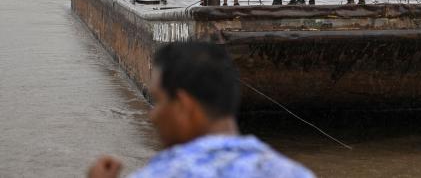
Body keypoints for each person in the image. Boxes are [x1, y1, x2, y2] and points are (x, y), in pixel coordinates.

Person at [87, 42, 315, 178]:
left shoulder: (162, 173)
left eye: (159, 101)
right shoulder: (293, 172)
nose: (152, 115)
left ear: (185, 105)